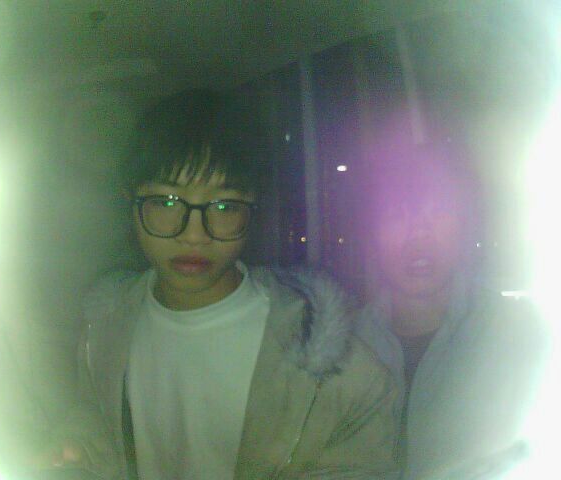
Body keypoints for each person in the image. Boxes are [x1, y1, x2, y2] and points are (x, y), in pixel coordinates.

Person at [37, 89, 399, 480]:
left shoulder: (341, 371)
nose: (194, 235)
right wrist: (74, 447)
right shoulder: (102, 330)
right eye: (167, 202)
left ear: (253, 210)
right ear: (131, 202)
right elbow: (94, 431)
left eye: (225, 206)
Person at [353, 141, 549, 479]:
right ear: (371, 234)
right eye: (397, 215)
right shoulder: (343, 348)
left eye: (438, 211)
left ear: (464, 224)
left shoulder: (520, 336)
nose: (419, 232)